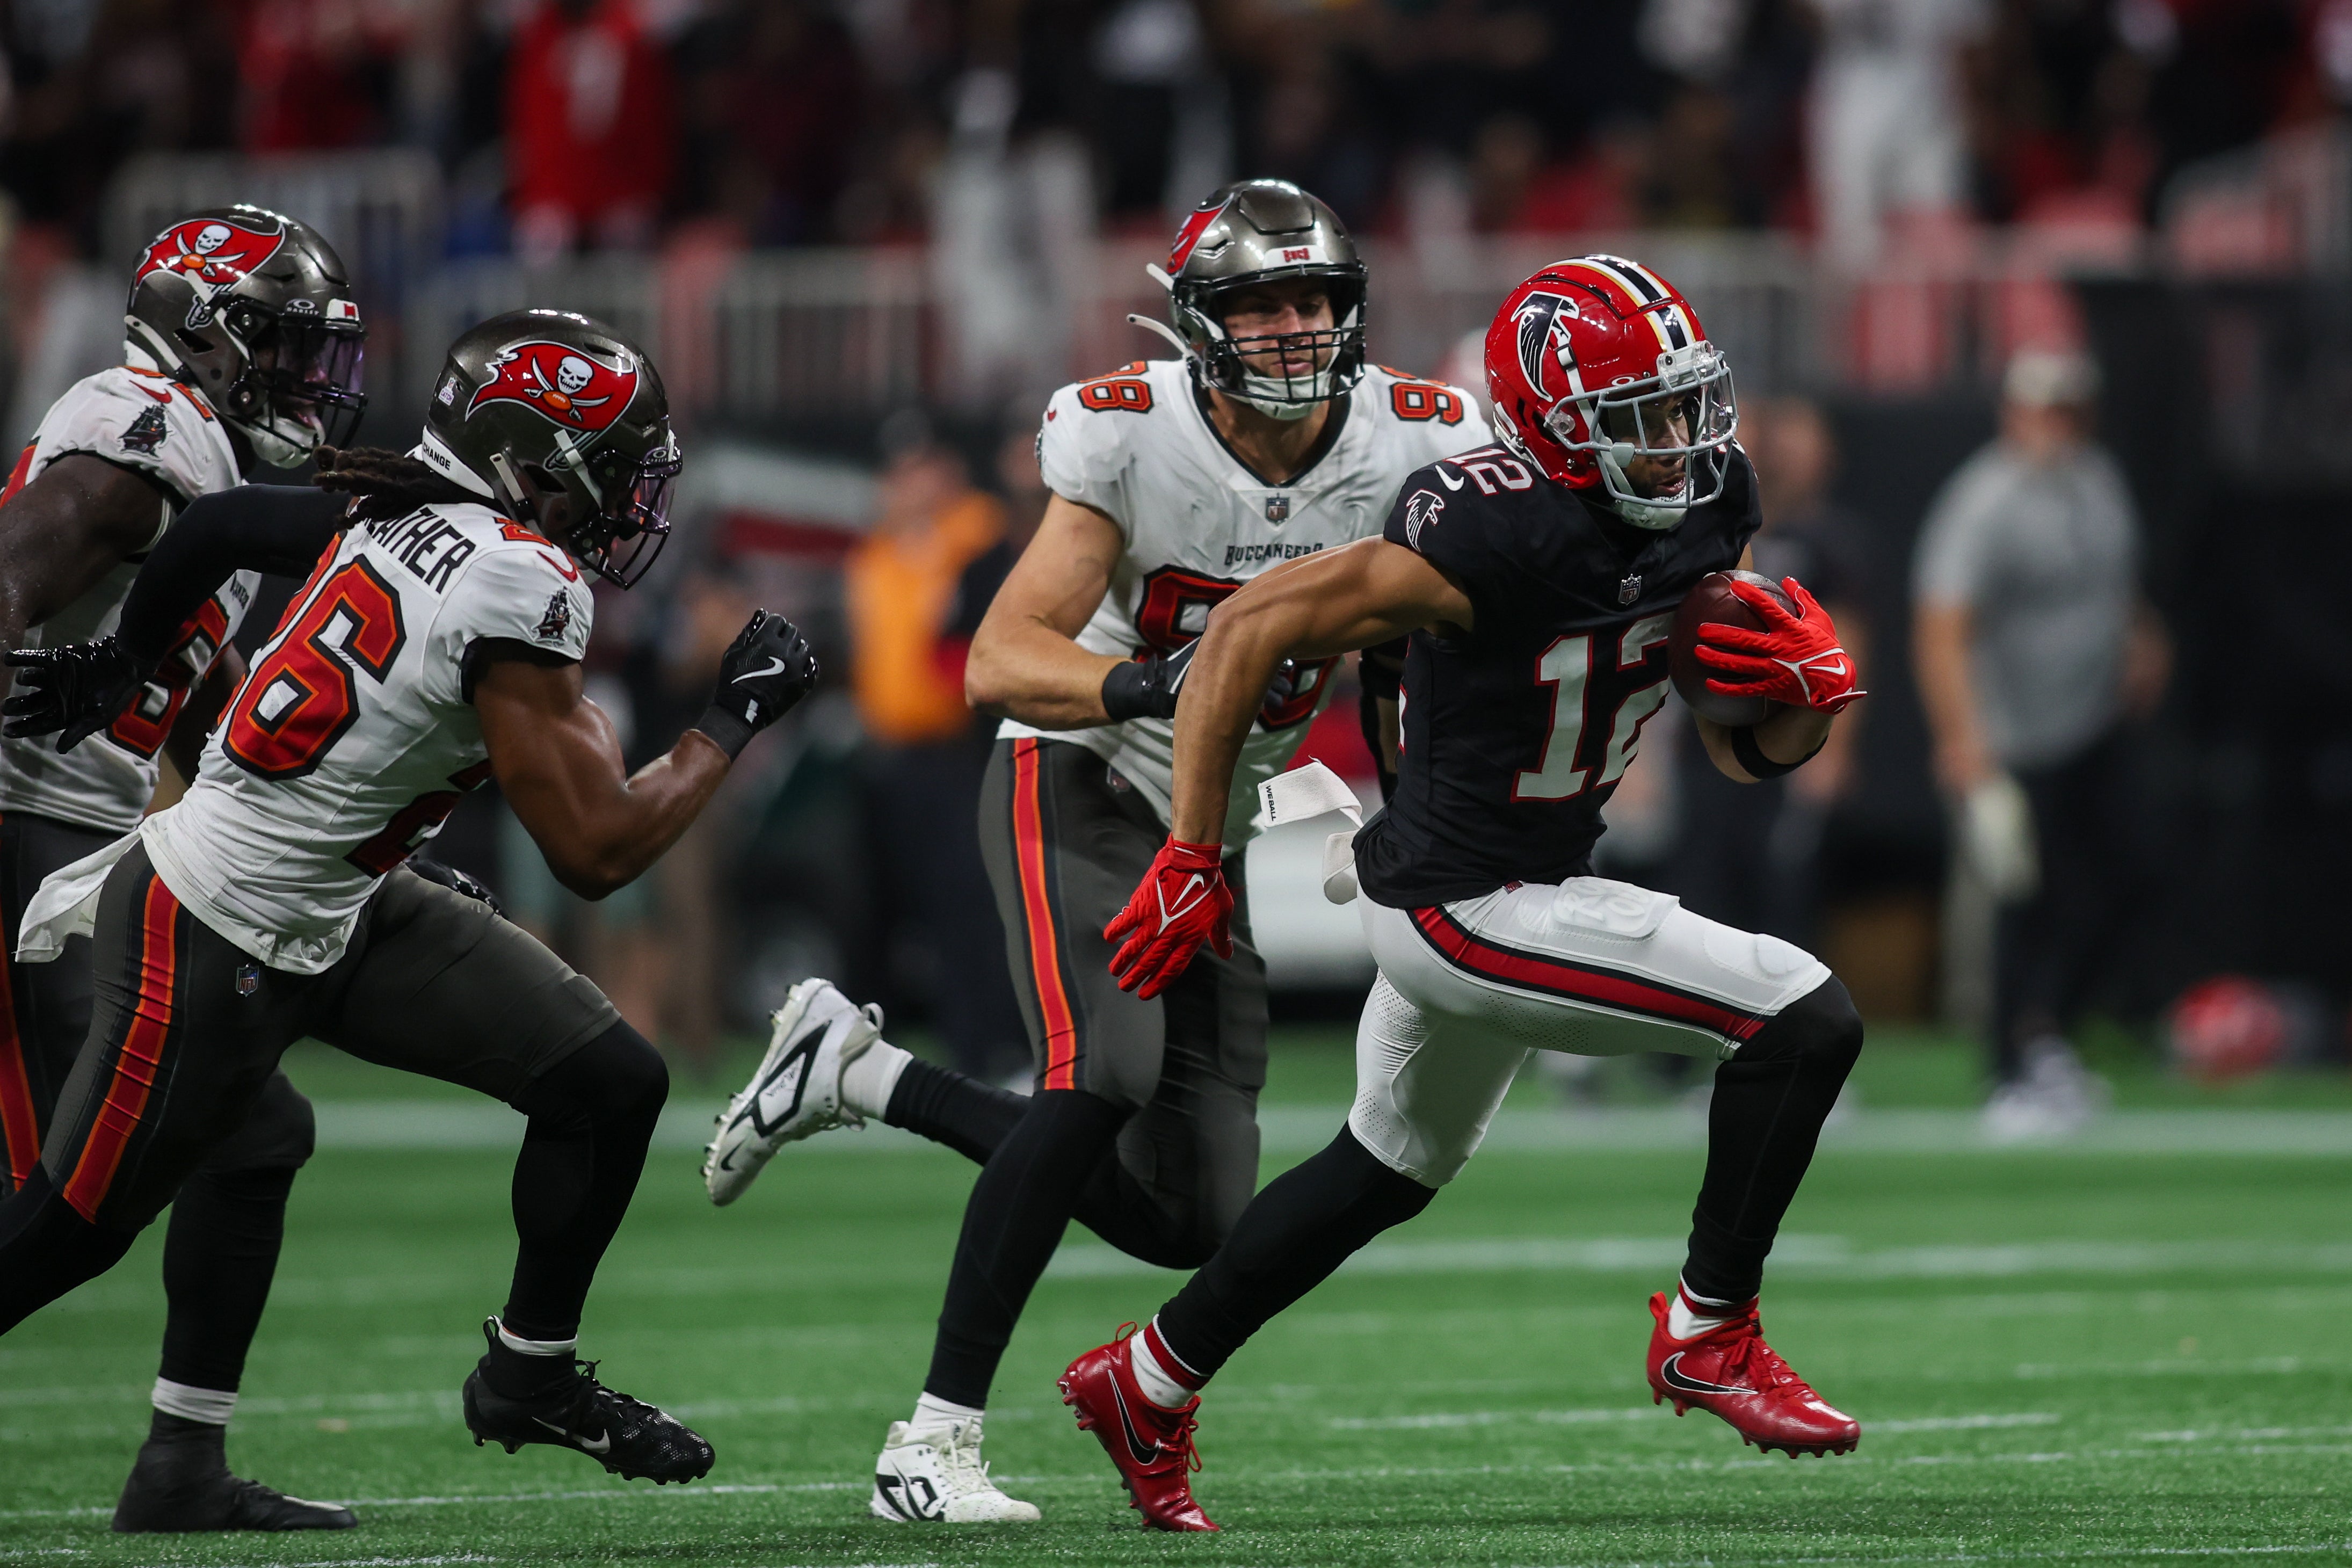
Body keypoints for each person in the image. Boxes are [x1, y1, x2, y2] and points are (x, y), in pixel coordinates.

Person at [700, 179, 1490, 1523]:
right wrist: (1149, 684)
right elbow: (1001, 658)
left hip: (1215, 816)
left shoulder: (1415, 440)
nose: (1297, 327)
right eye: (1262, 302)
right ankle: (930, 1441)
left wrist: (1409, 798)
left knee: (1192, 1214)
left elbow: (1408, 644)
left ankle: (860, 1072)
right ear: (1200, 323)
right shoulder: (1132, 436)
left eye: (1314, 299)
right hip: (1079, 773)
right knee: (1100, 1074)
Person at [1052, 257, 1870, 1530]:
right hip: (1463, 902)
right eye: (1639, 418)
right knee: (1802, 1013)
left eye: (1684, 405)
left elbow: (1732, 743)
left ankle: (1145, 1378)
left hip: (1528, 878)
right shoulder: (1495, 526)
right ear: (1550, 425)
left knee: (1386, 1165)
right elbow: (1251, 626)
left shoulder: (1714, 497)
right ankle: (1710, 1331)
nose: (1678, 444)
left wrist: (1795, 708)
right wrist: (1194, 851)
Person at [0, 309, 819, 1489]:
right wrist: (731, 714)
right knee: (60, 1233)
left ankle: (528, 1374)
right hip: (213, 917)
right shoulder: (514, 573)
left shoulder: (398, 503)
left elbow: (221, 526)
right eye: (616, 474)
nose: (631, 505)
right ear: (529, 464)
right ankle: (184, 1464)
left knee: (609, 1083)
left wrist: (135, 654)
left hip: (340, 893)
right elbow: (595, 849)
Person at [0, 205, 365, 1532]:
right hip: (23, 822)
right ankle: (179, 1469)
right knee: (119, 1171)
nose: (305, 385)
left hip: (70, 828)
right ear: (211, 331)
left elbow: (190, 728)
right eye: (287, 351)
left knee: (244, 1134)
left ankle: (180, 1467)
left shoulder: (198, 457)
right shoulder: (147, 428)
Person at [1912, 346, 2167, 1139]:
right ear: (2013, 413)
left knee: (2132, 871)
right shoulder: (1985, 500)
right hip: (2014, 735)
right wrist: (1962, 737)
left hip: (2092, 721)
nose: (2055, 425)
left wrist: (2142, 636)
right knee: (2019, 897)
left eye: (2067, 408)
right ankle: (2008, 1070)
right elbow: (1943, 625)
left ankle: (2050, 1029)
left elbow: (2113, 583)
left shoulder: (2098, 481)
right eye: (2042, 408)